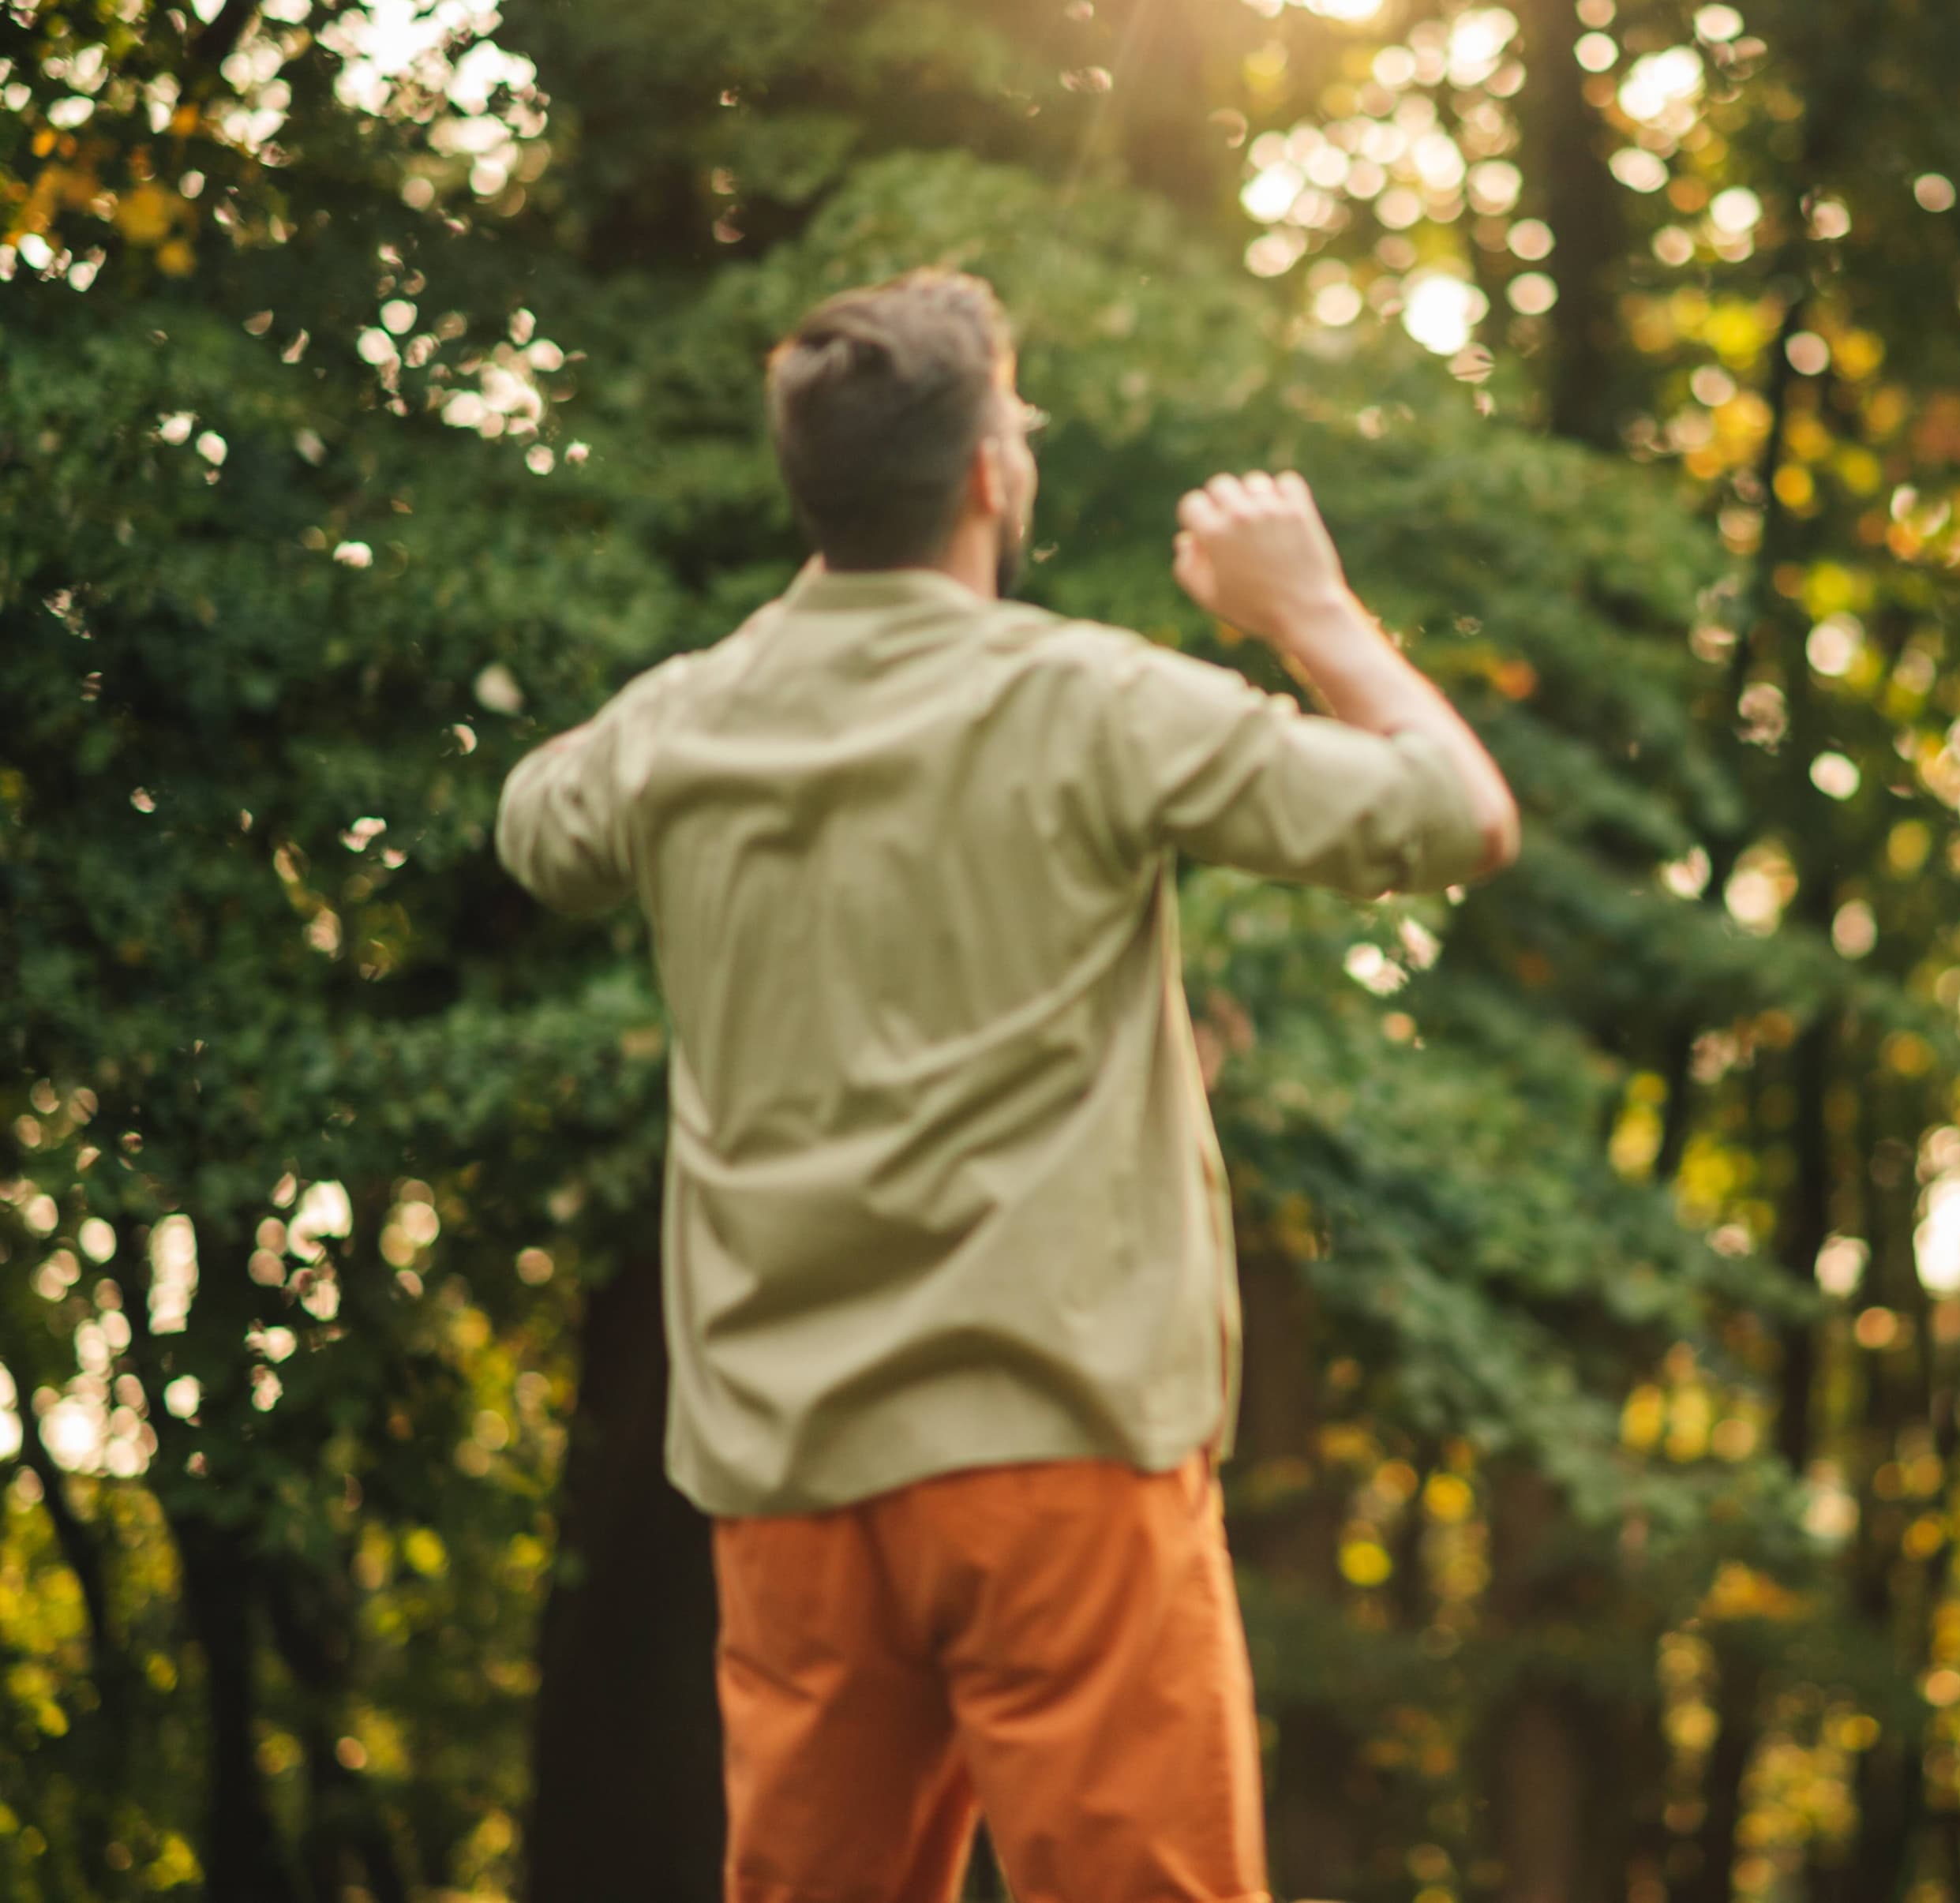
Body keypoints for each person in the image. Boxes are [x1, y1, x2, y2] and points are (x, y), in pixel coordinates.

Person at [495, 268, 1519, 1903]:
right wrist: (1308, 606)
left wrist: (759, 672)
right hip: (1061, 1452)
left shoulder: (678, 726)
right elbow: (1454, 813)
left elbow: (534, 827)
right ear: (988, 474)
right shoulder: (1093, 701)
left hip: (791, 1480)